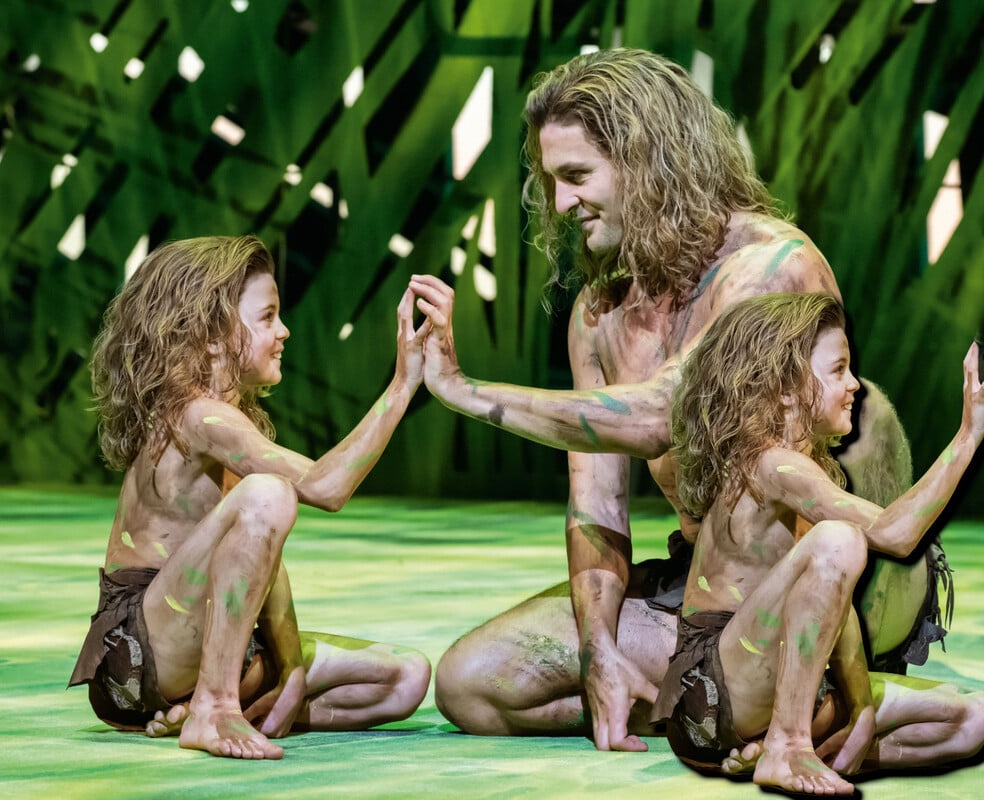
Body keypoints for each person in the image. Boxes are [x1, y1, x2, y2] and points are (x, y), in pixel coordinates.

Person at [409, 47, 945, 750]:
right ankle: (724, 705)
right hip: (709, 587)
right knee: (472, 683)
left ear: (646, 161)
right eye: (551, 181)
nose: (561, 204)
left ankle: (808, 700)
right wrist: (599, 651)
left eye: (577, 177)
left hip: (835, 586)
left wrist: (465, 391)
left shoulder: (770, 267)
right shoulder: (599, 314)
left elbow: (663, 415)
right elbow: (596, 505)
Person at [69, 235, 432, 760]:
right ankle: (213, 707)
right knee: (269, 494)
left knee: (406, 677)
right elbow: (326, 487)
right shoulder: (197, 416)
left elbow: (264, 563)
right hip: (142, 655)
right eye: (267, 318)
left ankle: (206, 705)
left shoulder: (229, 418)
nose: (283, 331)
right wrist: (402, 385)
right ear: (212, 337)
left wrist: (291, 668)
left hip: (206, 645)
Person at [652, 292, 984, 794]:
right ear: (786, 389)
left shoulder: (804, 472)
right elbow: (895, 534)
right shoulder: (771, 464)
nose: (855, 385)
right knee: (840, 540)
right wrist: (967, 438)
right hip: (714, 695)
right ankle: (787, 745)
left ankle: (791, 751)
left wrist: (862, 709)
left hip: (767, 692)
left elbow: (836, 611)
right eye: (838, 370)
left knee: (973, 720)